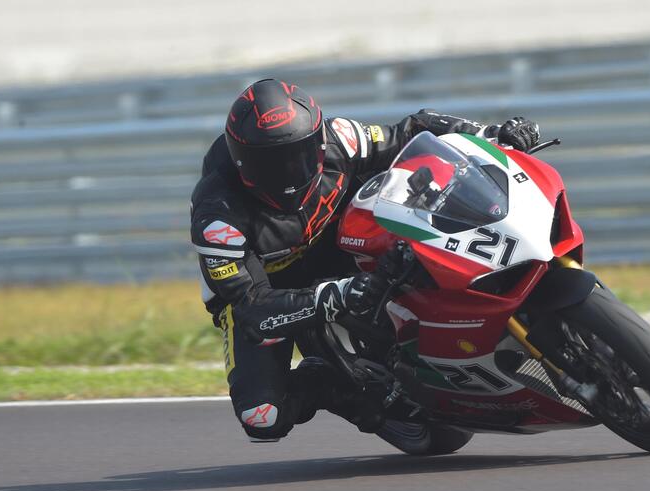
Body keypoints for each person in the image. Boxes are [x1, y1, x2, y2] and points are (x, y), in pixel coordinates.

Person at [191, 78, 541, 441]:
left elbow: (413, 130)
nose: (289, 173)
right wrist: (338, 295)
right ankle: (332, 387)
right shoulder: (218, 218)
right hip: (269, 286)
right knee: (262, 416)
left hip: (340, 240)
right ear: (241, 161)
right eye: (271, 165)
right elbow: (253, 309)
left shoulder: (341, 138)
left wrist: (491, 134)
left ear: (319, 141)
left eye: (300, 155)